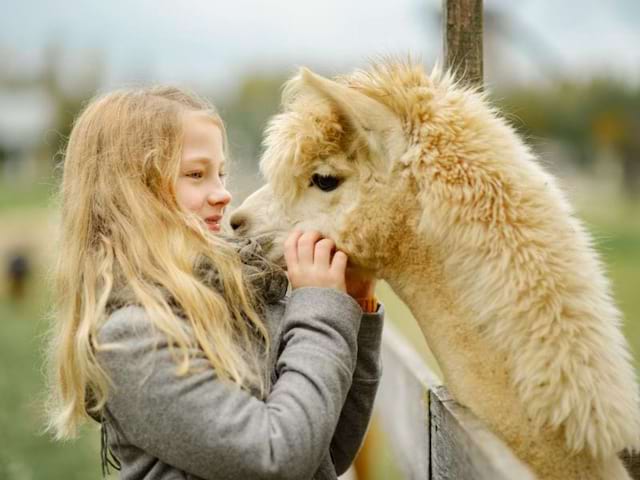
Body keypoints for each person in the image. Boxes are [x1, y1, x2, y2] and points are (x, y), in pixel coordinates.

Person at [46, 86, 384, 480]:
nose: (224, 195)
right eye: (196, 174)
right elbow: (277, 457)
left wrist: (354, 307)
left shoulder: (239, 300)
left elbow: (326, 452)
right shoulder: (132, 340)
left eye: (220, 173)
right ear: (130, 194)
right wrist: (320, 311)